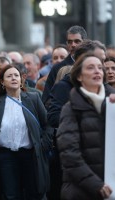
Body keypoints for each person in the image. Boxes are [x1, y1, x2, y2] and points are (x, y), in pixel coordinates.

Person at [0, 64, 52, 200]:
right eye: (9, 76)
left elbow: (48, 124)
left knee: (34, 193)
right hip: (5, 157)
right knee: (11, 195)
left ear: (21, 80)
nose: (14, 78)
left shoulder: (33, 98)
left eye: (16, 75)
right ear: (2, 82)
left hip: (30, 155)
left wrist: (43, 145)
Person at [57, 53, 115, 200]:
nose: (97, 71)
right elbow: (69, 154)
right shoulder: (70, 109)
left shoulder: (112, 104)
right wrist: (96, 185)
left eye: (100, 68)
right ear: (79, 76)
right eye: (90, 68)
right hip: (82, 191)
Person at [42, 25, 87, 106]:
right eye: (70, 42)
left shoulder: (91, 66)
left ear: (84, 42)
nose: (73, 45)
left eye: (77, 41)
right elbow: (46, 99)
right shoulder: (57, 68)